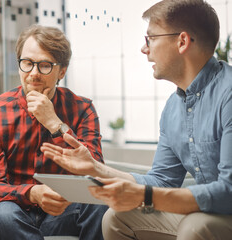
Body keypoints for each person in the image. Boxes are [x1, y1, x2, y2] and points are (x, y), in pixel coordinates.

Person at [41, 0, 232, 239]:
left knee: (197, 226)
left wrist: (147, 196)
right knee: (117, 217)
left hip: (223, 211)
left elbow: (228, 192)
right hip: (213, 213)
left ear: (182, 41)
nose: (144, 49)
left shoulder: (229, 94)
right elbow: (161, 180)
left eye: (150, 38)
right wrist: (96, 168)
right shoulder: (173, 108)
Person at [0, 24, 108, 240]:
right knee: (6, 214)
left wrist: (54, 123)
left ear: (61, 71)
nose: (33, 74)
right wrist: (32, 193)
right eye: (27, 64)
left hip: (59, 212)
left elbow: (95, 171)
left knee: (98, 204)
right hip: (5, 211)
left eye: (44, 65)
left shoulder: (82, 109)